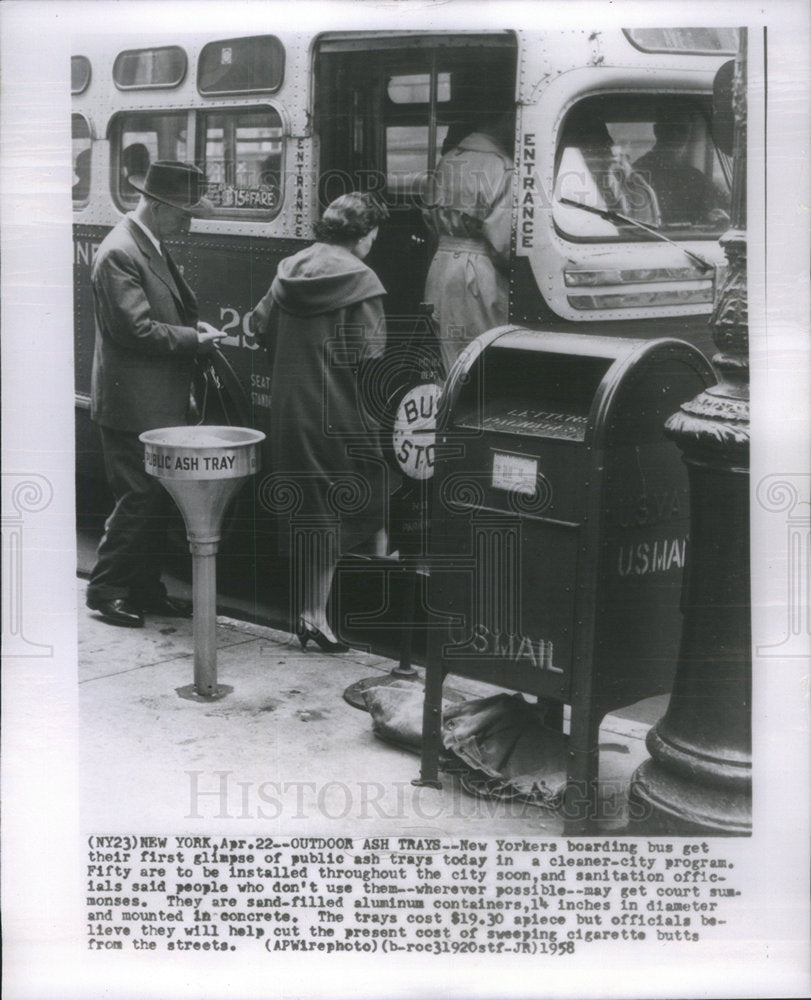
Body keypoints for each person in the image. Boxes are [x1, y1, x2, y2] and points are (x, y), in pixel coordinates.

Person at [85, 161, 225, 627]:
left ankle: (145, 588)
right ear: (159, 205)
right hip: (132, 405)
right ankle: (106, 591)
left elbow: (159, 313)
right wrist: (193, 340)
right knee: (139, 500)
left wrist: (192, 329)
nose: (189, 223)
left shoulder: (148, 245)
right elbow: (136, 331)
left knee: (156, 499)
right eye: (184, 213)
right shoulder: (120, 252)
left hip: (155, 402)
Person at [251, 192, 389, 653]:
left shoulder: (291, 268)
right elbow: (370, 359)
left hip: (291, 408)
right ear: (364, 234)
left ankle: (313, 614)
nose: (375, 241)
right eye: (375, 233)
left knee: (311, 505)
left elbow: (256, 324)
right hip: (337, 408)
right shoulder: (362, 280)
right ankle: (324, 610)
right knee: (362, 487)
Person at [421, 113, 513, 376]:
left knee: (448, 350)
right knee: (483, 352)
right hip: (480, 271)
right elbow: (503, 241)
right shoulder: (503, 166)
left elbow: (428, 215)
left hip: (441, 266)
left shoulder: (448, 161)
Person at [633, 113, 730, 227]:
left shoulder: (696, 177)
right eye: (669, 129)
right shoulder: (637, 172)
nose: (675, 134)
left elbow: (718, 208)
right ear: (657, 130)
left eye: (682, 129)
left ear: (689, 133)